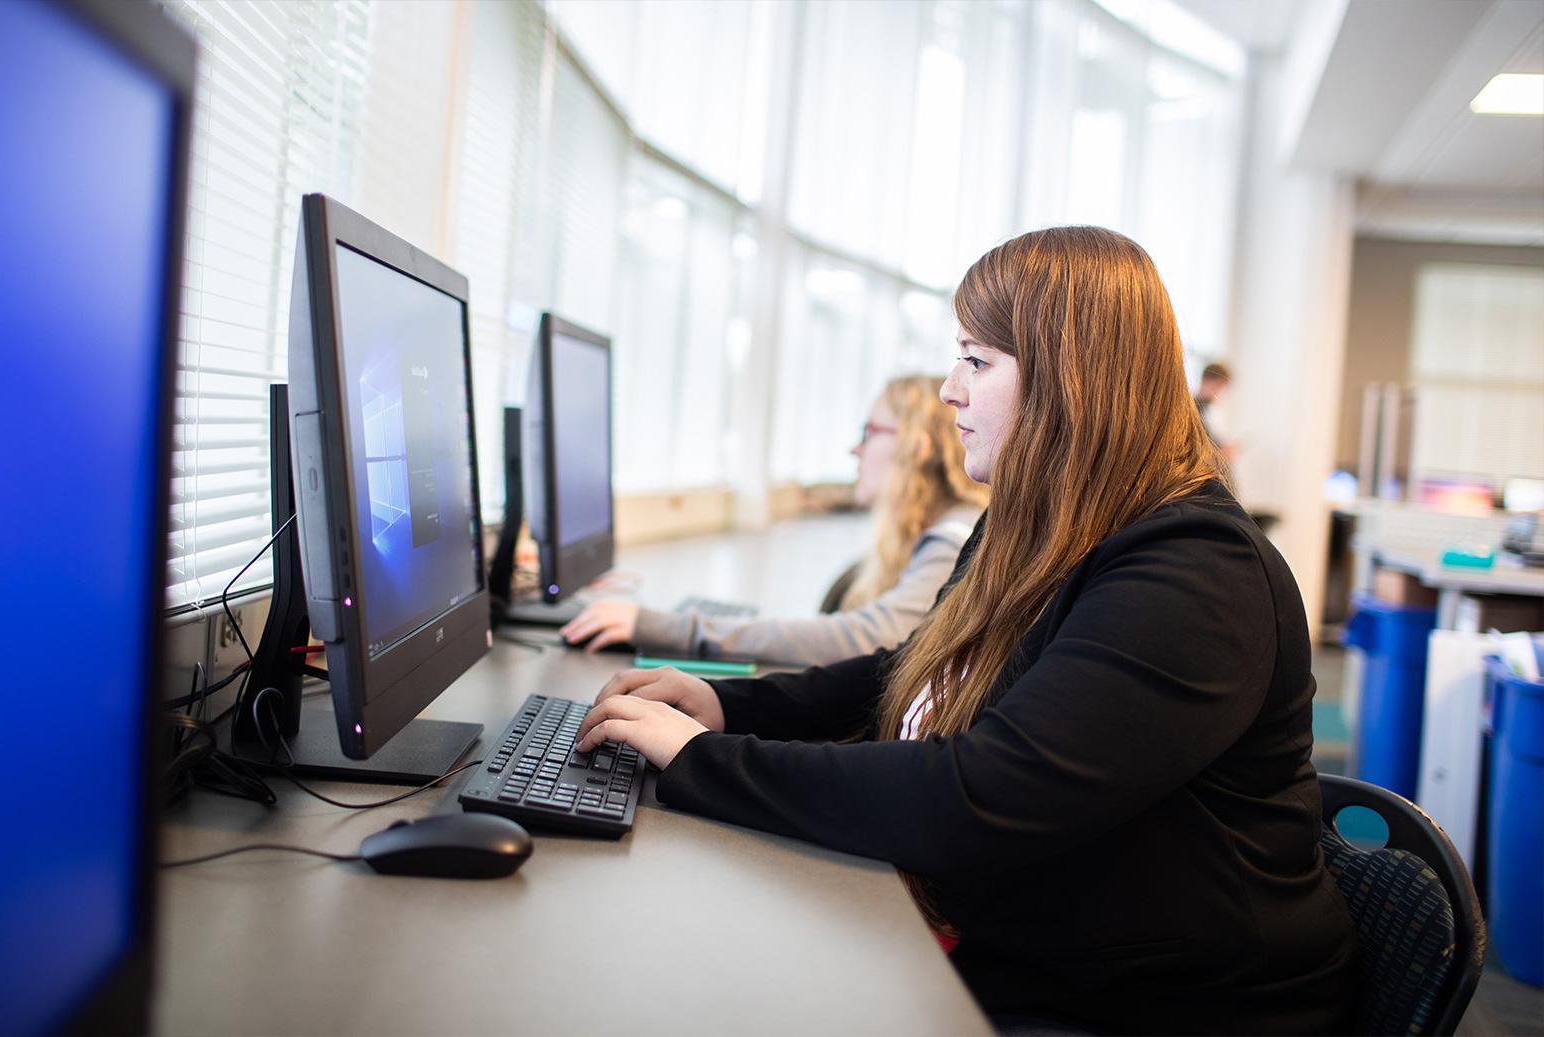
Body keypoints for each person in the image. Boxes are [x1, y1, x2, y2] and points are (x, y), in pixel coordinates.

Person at [572, 227, 1357, 1033]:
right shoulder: (1037, 525)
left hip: (1158, 1006)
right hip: (1044, 951)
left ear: (1069, 381)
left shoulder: (1192, 571)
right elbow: (916, 668)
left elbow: (976, 796)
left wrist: (706, 760)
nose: (949, 389)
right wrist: (730, 707)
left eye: (976, 362)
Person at [559, 374, 987, 666]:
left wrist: (665, 627)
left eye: (869, 432)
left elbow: (869, 637)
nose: (855, 450)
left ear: (916, 448)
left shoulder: (956, 536)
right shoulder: (931, 535)